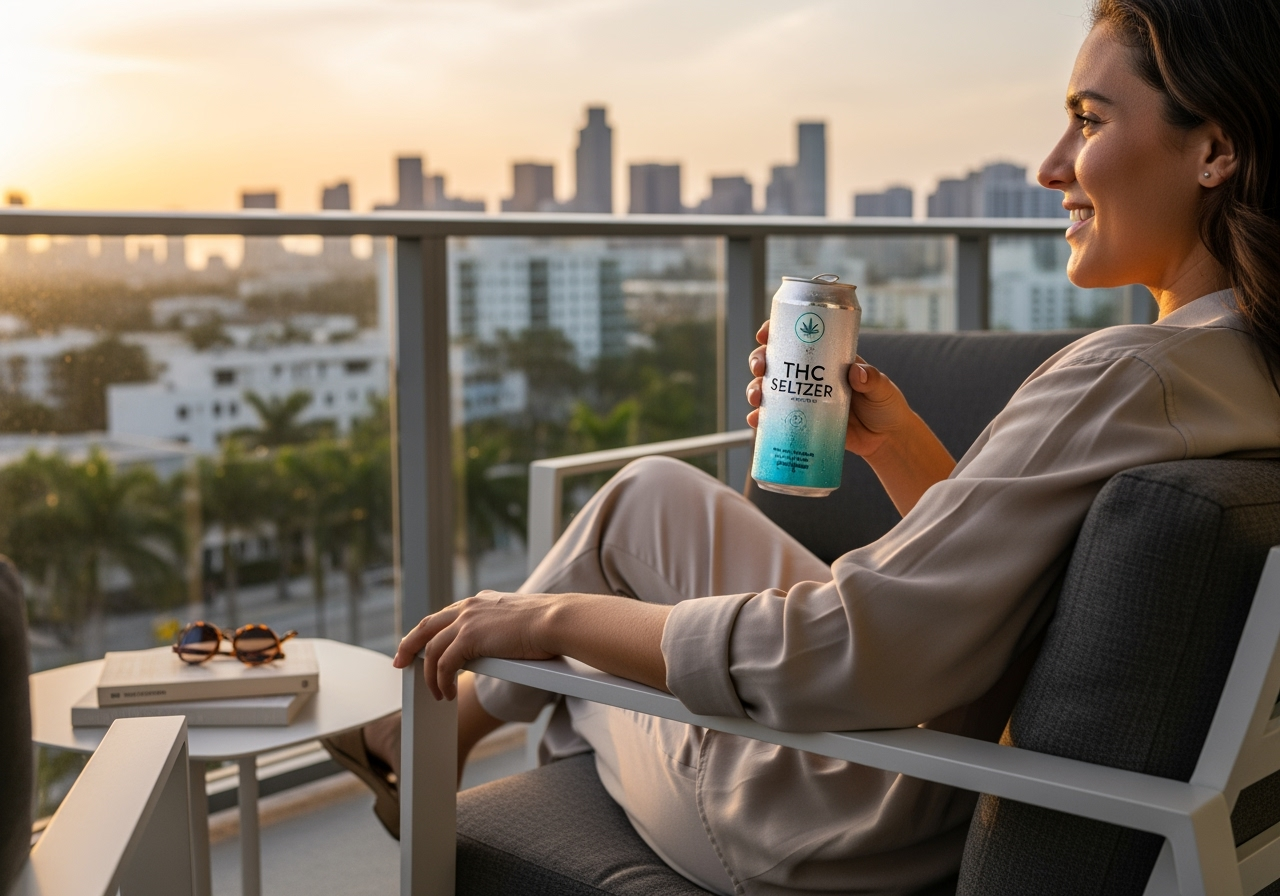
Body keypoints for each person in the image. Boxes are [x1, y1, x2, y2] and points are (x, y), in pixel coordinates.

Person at [324, 1, 1280, 892]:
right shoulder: (1236, 368)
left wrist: (548, 624)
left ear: (1215, 151)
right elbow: (1029, 603)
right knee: (648, 494)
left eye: (1089, 118)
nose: (1050, 165)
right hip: (916, 751)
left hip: (832, 809)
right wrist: (900, 446)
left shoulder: (1126, 373)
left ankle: (439, 740)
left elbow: (853, 653)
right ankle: (431, 744)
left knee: (572, 644)